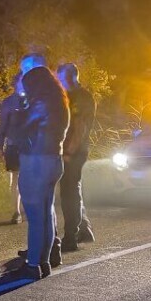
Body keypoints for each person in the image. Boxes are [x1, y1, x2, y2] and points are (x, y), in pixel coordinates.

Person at [8, 53, 69, 280]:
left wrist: (17, 113)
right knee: (47, 212)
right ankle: (44, 261)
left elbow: (20, 130)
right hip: (54, 159)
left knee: (35, 217)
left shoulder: (39, 104)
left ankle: (33, 264)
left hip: (36, 162)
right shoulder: (59, 101)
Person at [56, 63, 97, 252]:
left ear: (71, 77)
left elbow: (80, 128)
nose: (60, 82)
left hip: (74, 153)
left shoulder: (82, 97)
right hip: (69, 151)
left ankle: (70, 237)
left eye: (62, 79)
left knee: (69, 192)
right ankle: (83, 228)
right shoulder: (69, 95)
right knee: (72, 190)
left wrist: (69, 152)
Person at [0, 76, 25, 225]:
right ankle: (16, 211)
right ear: (15, 84)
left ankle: (32, 208)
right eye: (21, 81)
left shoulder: (33, 100)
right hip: (14, 146)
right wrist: (0, 145)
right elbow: (3, 125)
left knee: (31, 178)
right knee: (15, 179)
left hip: (31, 146)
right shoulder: (8, 103)